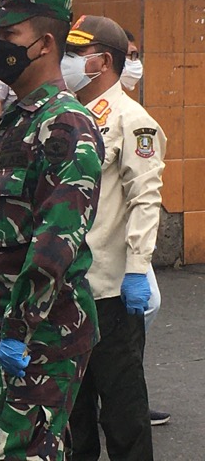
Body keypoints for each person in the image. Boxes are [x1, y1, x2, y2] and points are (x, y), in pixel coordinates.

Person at [0, 0, 105, 461]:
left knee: (18, 454)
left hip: (41, 335)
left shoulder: (66, 126)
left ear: (45, 44)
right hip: (1, 333)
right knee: (30, 448)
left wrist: (17, 331)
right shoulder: (15, 120)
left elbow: (55, 245)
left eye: (10, 33)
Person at [60, 15, 162, 460]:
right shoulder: (66, 115)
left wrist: (138, 267)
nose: (66, 62)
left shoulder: (131, 121)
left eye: (74, 54)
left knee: (123, 418)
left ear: (101, 62)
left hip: (109, 293)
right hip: (64, 291)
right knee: (72, 419)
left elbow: (145, 198)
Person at [119, 29, 170, 428]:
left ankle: (123, 391)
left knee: (144, 303)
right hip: (89, 237)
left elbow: (145, 193)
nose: (135, 63)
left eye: (138, 54)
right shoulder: (77, 110)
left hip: (124, 237)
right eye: (130, 54)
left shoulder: (132, 115)